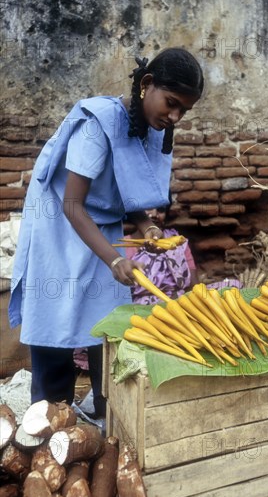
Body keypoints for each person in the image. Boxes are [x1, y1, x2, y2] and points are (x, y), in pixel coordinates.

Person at [8, 47, 204, 417]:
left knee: (108, 321)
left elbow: (128, 195)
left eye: (184, 111)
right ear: (147, 85)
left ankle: (106, 411)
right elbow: (72, 204)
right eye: (171, 103)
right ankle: (50, 414)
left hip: (101, 228)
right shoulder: (98, 125)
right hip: (61, 223)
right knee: (58, 317)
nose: (175, 116)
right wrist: (114, 257)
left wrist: (146, 227)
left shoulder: (149, 130)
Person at [125, 206, 199, 304]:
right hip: (139, 308)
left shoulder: (178, 241)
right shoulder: (124, 245)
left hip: (179, 303)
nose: (155, 214)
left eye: (161, 210)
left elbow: (193, 286)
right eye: (148, 208)